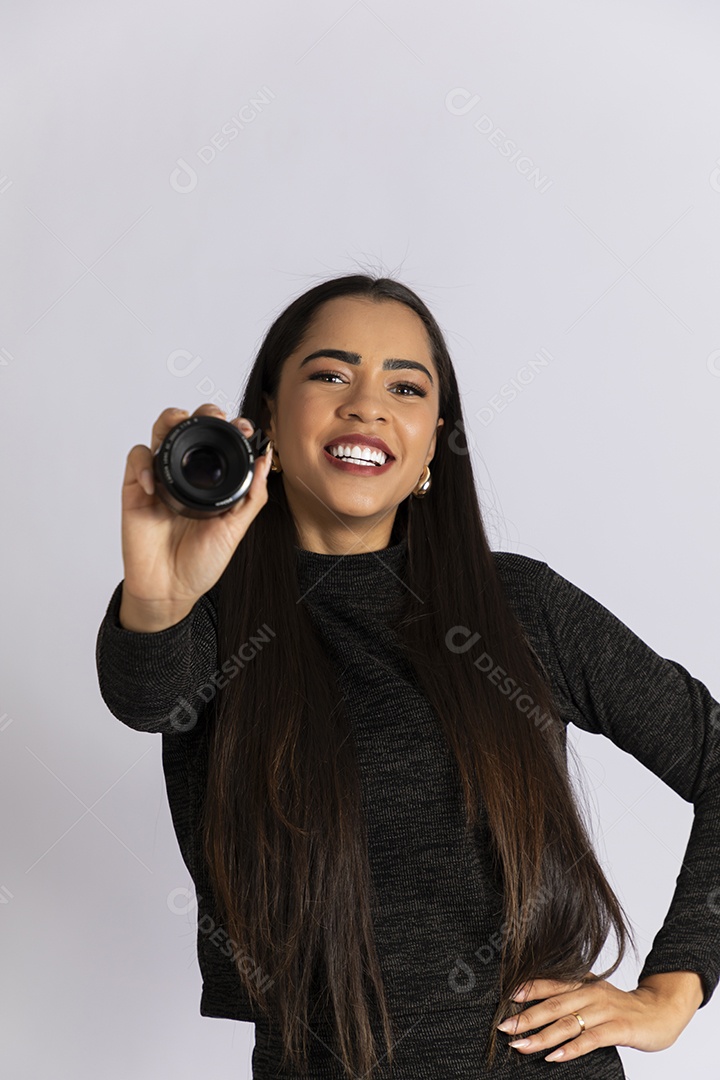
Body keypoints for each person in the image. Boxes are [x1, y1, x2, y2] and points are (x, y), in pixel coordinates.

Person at [96, 274, 719, 1079]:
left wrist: (674, 990)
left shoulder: (520, 607)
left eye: (405, 386)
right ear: (269, 421)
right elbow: (146, 696)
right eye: (330, 375)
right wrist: (159, 591)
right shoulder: (208, 617)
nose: (366, 404)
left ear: (432, 442)